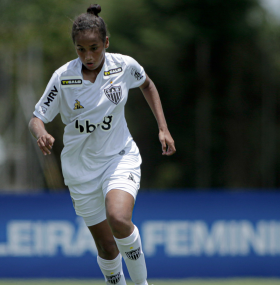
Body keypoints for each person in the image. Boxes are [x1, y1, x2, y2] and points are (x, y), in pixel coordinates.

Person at [29, 4, 175, 285]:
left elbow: (147, 84)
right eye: (81, 49)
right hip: (80, 169)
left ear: (106, 43)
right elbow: (37, 117)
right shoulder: (63, 77)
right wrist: (41, 133)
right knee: (107, 247)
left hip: (119, 157)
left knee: (118, 217)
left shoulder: (123, 65)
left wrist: (163, 127)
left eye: (94, 47)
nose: (88, 55)